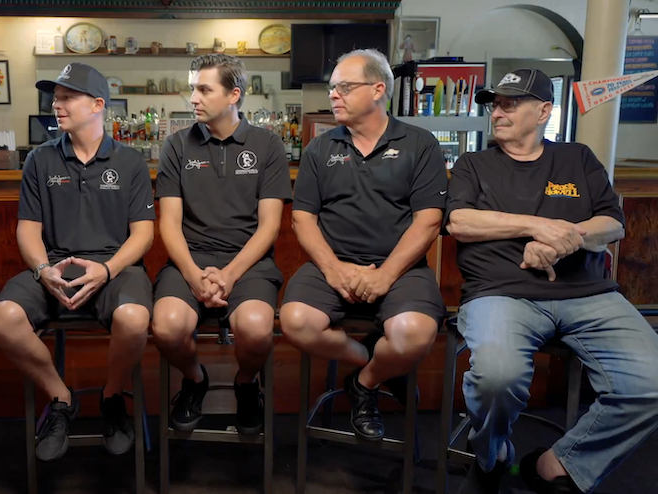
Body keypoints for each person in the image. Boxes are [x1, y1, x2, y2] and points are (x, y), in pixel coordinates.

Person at [446, 68, 658, 494]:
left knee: (650, 382)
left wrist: (566, 240)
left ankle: (557, 464)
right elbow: (460, 222)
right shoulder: (474, 163)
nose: (497, 111)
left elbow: (612, 224)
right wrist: (538, 227)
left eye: (510, 103)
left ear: (544, 111)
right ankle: (492, 456)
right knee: (496, 378)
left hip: (587, 294)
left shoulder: (577, 157)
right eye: (494, 103)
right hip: (501, 294)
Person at [0, 63, 155, 462]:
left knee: (134, 318)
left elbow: (143, 234)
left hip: (115, 269)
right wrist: (43, 270)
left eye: (67, 97)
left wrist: (109, 269)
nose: (55, 105)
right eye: (55, 97)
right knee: (2, 316)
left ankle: (112, 396)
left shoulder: (130, 161)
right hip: (54, 268)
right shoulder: (39, 160)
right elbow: (28, 230)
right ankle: (61, 398)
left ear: (98, 104)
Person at [279, 49, 448, 441]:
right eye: (332, 87)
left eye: (344, 87)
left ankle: (365, 382)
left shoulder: (420, 144)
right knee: (296, 322)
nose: (333, 95)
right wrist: (335, 269)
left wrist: (386, 274)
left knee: (413, 335)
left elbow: (429, 221)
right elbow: (302, 219)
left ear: (377, 89)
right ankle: (378, 364)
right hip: (331, 265)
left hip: (401, 268)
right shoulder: (320, 148)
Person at [152, 54, 291, 435]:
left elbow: (269, 227)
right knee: (166, 327)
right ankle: (195, 380)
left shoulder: (267, 146)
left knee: (257, 328)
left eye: (203, 89)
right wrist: (195, 276)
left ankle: (246, 384)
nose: (192, 98)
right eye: (192, 88)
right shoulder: (176, 146)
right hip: (189, 260)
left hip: (249, 262)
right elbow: (169, 224)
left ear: (234, 94)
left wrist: (229, 274)